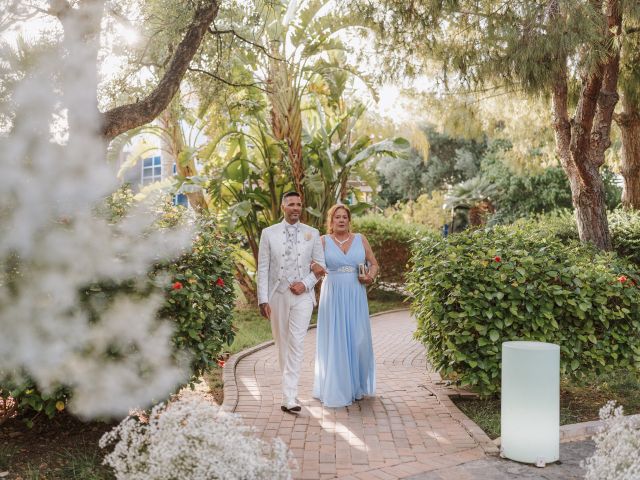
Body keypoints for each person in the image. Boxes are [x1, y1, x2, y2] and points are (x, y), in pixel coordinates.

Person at [257, 191, 325, 413]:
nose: (296, 208)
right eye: (292, 204)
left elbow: (320, 267)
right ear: (283, 207)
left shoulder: (312, 233)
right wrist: (262, 299)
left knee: (296, 343)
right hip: (277, 295)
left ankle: (290, 397)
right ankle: (288, 393)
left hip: (303, 297)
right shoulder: (268, 233)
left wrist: (305, 284)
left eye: (299, 204)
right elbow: (263, 268)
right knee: (282, 343)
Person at [313, 204, 378, 407]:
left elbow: (374, 264)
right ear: (331, 221)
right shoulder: (322, 241)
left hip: (356, 294)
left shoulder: (360, 239)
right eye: (337, 217)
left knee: (358, 339)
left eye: (344, 217)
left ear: (349, 220)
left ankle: (357, 386)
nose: (341, 220)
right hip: (333, 294)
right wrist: (314, 267)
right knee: (336, 339)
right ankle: (336, 387)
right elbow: (312, 265)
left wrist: (370, 277)